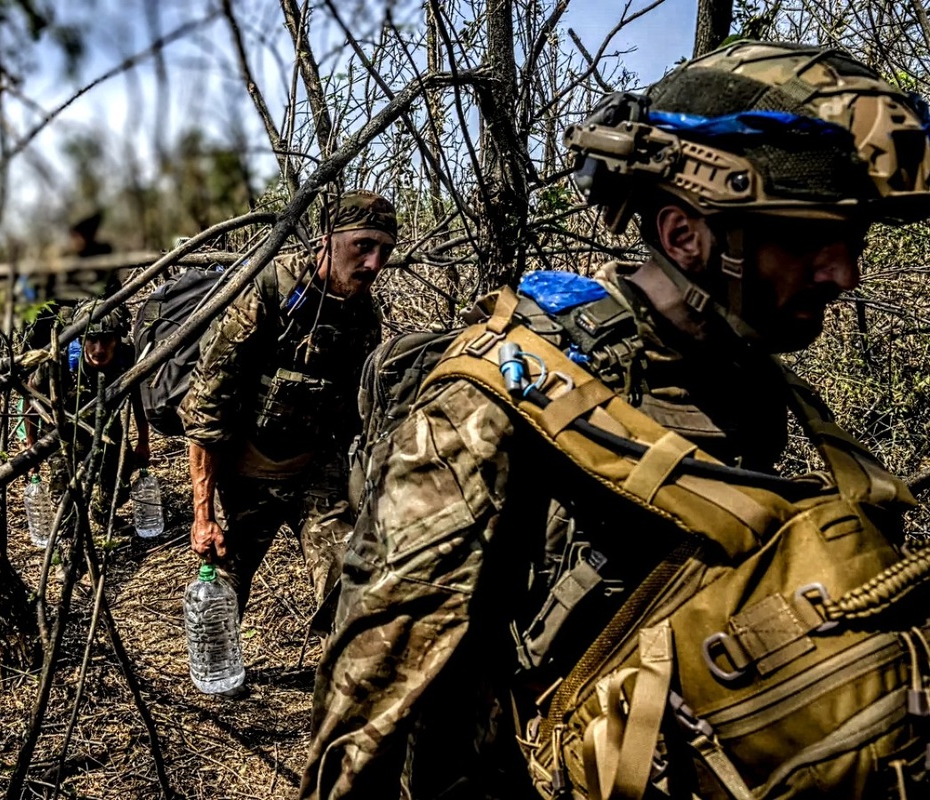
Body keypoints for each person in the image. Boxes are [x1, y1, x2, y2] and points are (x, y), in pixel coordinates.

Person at [302, 42, 930, 799]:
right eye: (805, 239)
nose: (844, 274)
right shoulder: (496, 399)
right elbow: (371, 697)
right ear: (684, 236)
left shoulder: (742, 370)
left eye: (852, 238)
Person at [180, 189, 398, 619]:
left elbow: (358, 413)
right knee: (222, 590)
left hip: (315, 471)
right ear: (328, 238)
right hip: (245, 474)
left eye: (384, 251)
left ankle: (349, 674)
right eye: (363, 246)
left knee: (350, 580)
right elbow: (207, 405)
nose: (374, 263)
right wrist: (202, 514)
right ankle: (219, 674)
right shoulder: (268, 290)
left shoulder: (364, 317)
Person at [25, 299, 151, 535]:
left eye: (106, 340)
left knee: (120, 483)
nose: (99, 349)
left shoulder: (125, 355)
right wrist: (32, 445)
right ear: (80, 339)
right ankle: (69, 542)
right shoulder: (59, 357)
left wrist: (143, 441)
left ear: (117, 339)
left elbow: (138, 399)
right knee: (64, 495)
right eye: (91, 340)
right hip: (61, 434)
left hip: (107, 427)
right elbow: (30, 397)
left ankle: (103, 514)